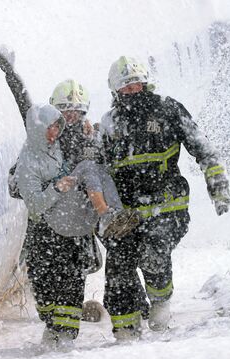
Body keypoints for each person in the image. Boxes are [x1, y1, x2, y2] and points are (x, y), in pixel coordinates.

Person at [98, 56, 230, 341]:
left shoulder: (169, 110)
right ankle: (125, 329)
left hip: (168, 207)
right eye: (126, 88)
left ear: (146, 83)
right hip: (128, 216)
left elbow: (204, 149)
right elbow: (96, 170)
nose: (133, 91)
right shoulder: (109, 124)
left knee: (154, 250)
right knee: (119, 266)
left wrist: (218, 186)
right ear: (115, 91)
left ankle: (160, 302)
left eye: (137, 85)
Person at [15, 103, 140, 346]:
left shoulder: (59, 146)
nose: (54, 133)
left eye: (56, 127)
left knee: (71, 280)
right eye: (49, 129)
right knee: (45, 286)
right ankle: (52, 325)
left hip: (69, 226)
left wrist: (91, 135)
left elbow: (83, 149)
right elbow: (35, 205)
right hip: (44, 230)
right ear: (36, 130)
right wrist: (56, 188)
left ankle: (66, 337)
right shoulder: (28, 162)